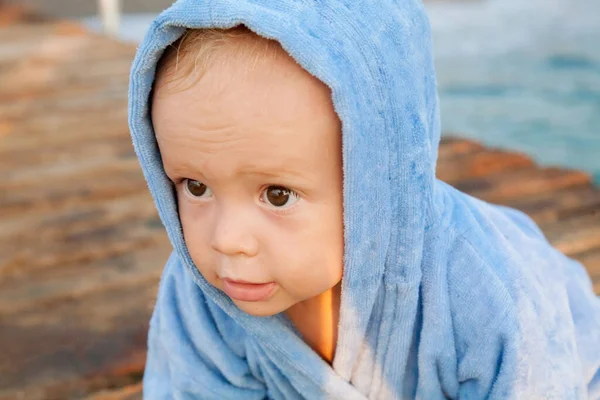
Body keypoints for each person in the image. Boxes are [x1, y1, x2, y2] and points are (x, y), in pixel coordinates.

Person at [127, 1, 600, 398]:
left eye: (277, 194)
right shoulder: (201, 298)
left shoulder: (486, 289)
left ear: (376, 178)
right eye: (195, 186)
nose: (227, 240)